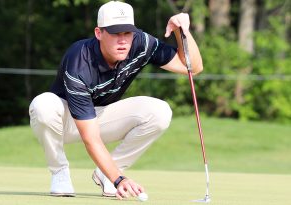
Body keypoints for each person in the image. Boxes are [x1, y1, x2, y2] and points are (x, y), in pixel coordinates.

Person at [29, 0, 203, 200]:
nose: (123, 40)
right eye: (114, 33)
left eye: (127, 33)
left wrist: (182, 33)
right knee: (43, 105)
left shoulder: (141, 43)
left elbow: (192, 67)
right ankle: (60, 172)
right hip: (65, 121)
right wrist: (119, 179)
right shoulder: (79, 61)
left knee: (160, 111)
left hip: (103, 117)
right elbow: (90, 138)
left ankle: (107, 172)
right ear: (98, 33)